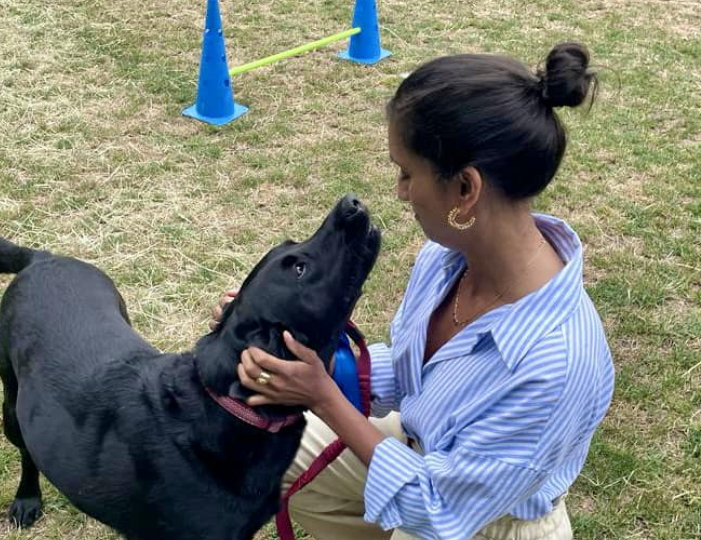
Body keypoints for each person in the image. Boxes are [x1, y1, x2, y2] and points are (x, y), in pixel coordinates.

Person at [210, 41, 614, 540]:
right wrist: (299, 350)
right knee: (264, 447)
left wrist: (323, 398)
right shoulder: (447, 258)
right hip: (420, 454)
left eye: (406, 173)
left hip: (480, 521)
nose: (400, 191)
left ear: (466, 189)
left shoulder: (554, 365)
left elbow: (439, 509)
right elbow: (411, 370)